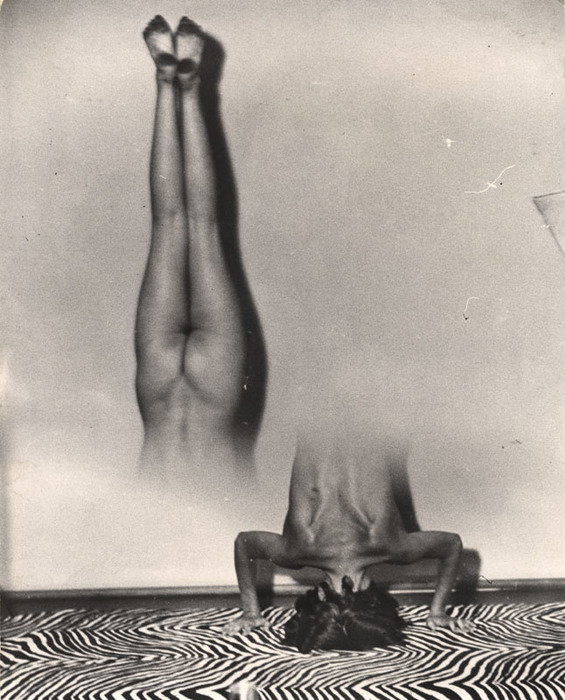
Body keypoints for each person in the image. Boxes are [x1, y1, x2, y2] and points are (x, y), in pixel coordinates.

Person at [225, 432, 473, 651]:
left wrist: (437, 611)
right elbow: (243, 543)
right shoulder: (297, 550)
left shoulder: (391, 546)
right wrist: (251, 612)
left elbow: (452, 544)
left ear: (373, 598)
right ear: (320, 595)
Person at [137, 16, 249, 480]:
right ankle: (174, 82)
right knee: (178, 227)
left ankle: (177, 82)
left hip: (185, 395)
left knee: (187, 227)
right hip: (181, 397)